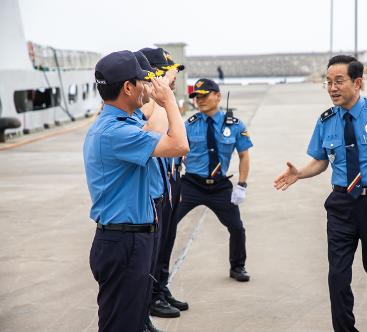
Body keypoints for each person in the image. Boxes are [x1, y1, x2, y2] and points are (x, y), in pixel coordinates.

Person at [274, 55, 367, 332]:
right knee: (337, 275)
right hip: (340, 204)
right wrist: (299, 173)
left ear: (358, 82)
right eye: (328, 82)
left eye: (339, 81)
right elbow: (320, 160)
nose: (332, 88)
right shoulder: (326, 120)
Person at [83, 50, 188, 332]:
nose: (148, 85)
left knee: (129, 321)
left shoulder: (123, 122)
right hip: (124, 241)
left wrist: (161, 101)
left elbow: (157, 129)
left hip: (130, 238)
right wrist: (167, 100)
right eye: (143, 80)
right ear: (128, 87)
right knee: (121, 325)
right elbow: (179, 144)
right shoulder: (115, 132)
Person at [168, 78, 253, 284]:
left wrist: (241, 185)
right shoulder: (189, 125)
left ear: (218, 96)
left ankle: (237, 266)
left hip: (220, 186)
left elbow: (244, 155)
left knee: (236, 227)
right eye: (196, 96)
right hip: (192, 184)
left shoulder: (235, 125)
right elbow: (176, 156)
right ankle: (157, 266)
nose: (200, 100)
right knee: (168, 224)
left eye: (205, 95)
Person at [140, 47, 190, 317]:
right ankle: (151, 296)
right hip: (153, 189)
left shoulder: (163, 101)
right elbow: (157, 131)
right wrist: (165, 100)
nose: (173, 80)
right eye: (170, 74)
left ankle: (161, 287)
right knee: (154, 249)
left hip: (170, 180)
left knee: (167, 242)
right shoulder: (149, 103)